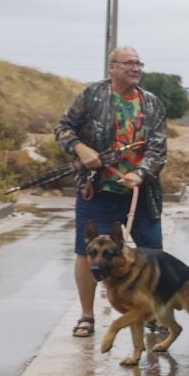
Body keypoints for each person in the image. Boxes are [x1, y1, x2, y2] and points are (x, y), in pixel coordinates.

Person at [56, 46, 168, 340]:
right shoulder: (92, 95)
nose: (136, 68)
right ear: (112, 67)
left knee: (153, 252)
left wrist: (140, 173)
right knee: (87, 253)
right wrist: (81, 149)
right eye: (129, 63)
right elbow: (64, 128)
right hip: (97, 190)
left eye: (139, 63)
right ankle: (87, 316)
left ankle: (153, 314)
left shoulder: (152, 103)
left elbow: (158, 150)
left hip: (140, 194)